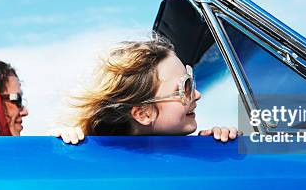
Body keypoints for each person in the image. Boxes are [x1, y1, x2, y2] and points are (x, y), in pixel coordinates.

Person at [52, 36, 238, 144]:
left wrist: (221, 144)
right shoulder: (94, 158)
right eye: (185, 87)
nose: (197, 95)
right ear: (143, 113)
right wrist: (67, 142)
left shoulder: (200, 149)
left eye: (192, 81)